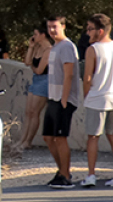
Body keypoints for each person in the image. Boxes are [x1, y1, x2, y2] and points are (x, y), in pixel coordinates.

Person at [80, 13, 113, 188]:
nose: (87, 33)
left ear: (100, 31)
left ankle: (91, 175)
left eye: (90, 29)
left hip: (98, 98)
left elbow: (87, 77)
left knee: (93, 137)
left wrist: (87, 96)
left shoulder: (93, 49)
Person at [44, 15, 82, 190]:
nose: (52, 30)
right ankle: (61, 171)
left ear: (63, 26)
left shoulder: (67, 47)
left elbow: (69, 74)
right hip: (52, 98)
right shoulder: (55, 47)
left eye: (55, 27)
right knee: (48, 136)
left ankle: (66, 175)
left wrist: (65, 99)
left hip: (63, 99)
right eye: (49, 27)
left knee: (60, 138)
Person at [17, 24, 52, 152]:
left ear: (43, 35)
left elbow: (39, 70)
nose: (34, 36)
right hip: (35, 80)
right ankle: (22, 139)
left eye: (36, 34)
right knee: (28, 112)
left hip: (44, 81)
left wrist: (32, 66)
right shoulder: (37, 47)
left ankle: (28, 141)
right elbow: (27, 62)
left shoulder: (49, 50)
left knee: (35, 111)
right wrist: (31, 47)